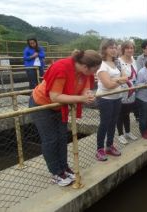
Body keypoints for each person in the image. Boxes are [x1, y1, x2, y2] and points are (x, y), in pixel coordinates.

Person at [29, 49, 101, 186]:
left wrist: (88, 95)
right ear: (86, 66)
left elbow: (85, 89)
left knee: (62, 137)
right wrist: (82, 98)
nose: (95, 73)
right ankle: (56, 172)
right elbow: (54, 96)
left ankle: (64, 168)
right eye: (95, 70)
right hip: (41, 104)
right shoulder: (61, 68)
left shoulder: (85, 73)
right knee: (50, 139)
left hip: (59, 107)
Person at [95, 39, 127, 161]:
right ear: (104, 49)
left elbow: (126, 77)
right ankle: (99, 149)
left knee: (113, 123)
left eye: (115, 47)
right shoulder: (102, 65)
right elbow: (107, 85)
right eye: (110, 47)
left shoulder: (117, 62)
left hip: (117, 97)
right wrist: (119, 80)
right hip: (105, 98)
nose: (114, 50)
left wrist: (115, 80)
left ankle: (109, 146)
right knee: (104, 123)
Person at [116, 41, 139, 144]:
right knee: (120, 114)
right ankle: (120, 134)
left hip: (132, 92)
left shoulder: (134, 60)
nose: (130, 50)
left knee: (127, 113)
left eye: (131, 48)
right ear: (123, 49)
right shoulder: (118, 61)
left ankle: (128, 132)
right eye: (127, 48)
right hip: (122, 92)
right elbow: (117, 77)